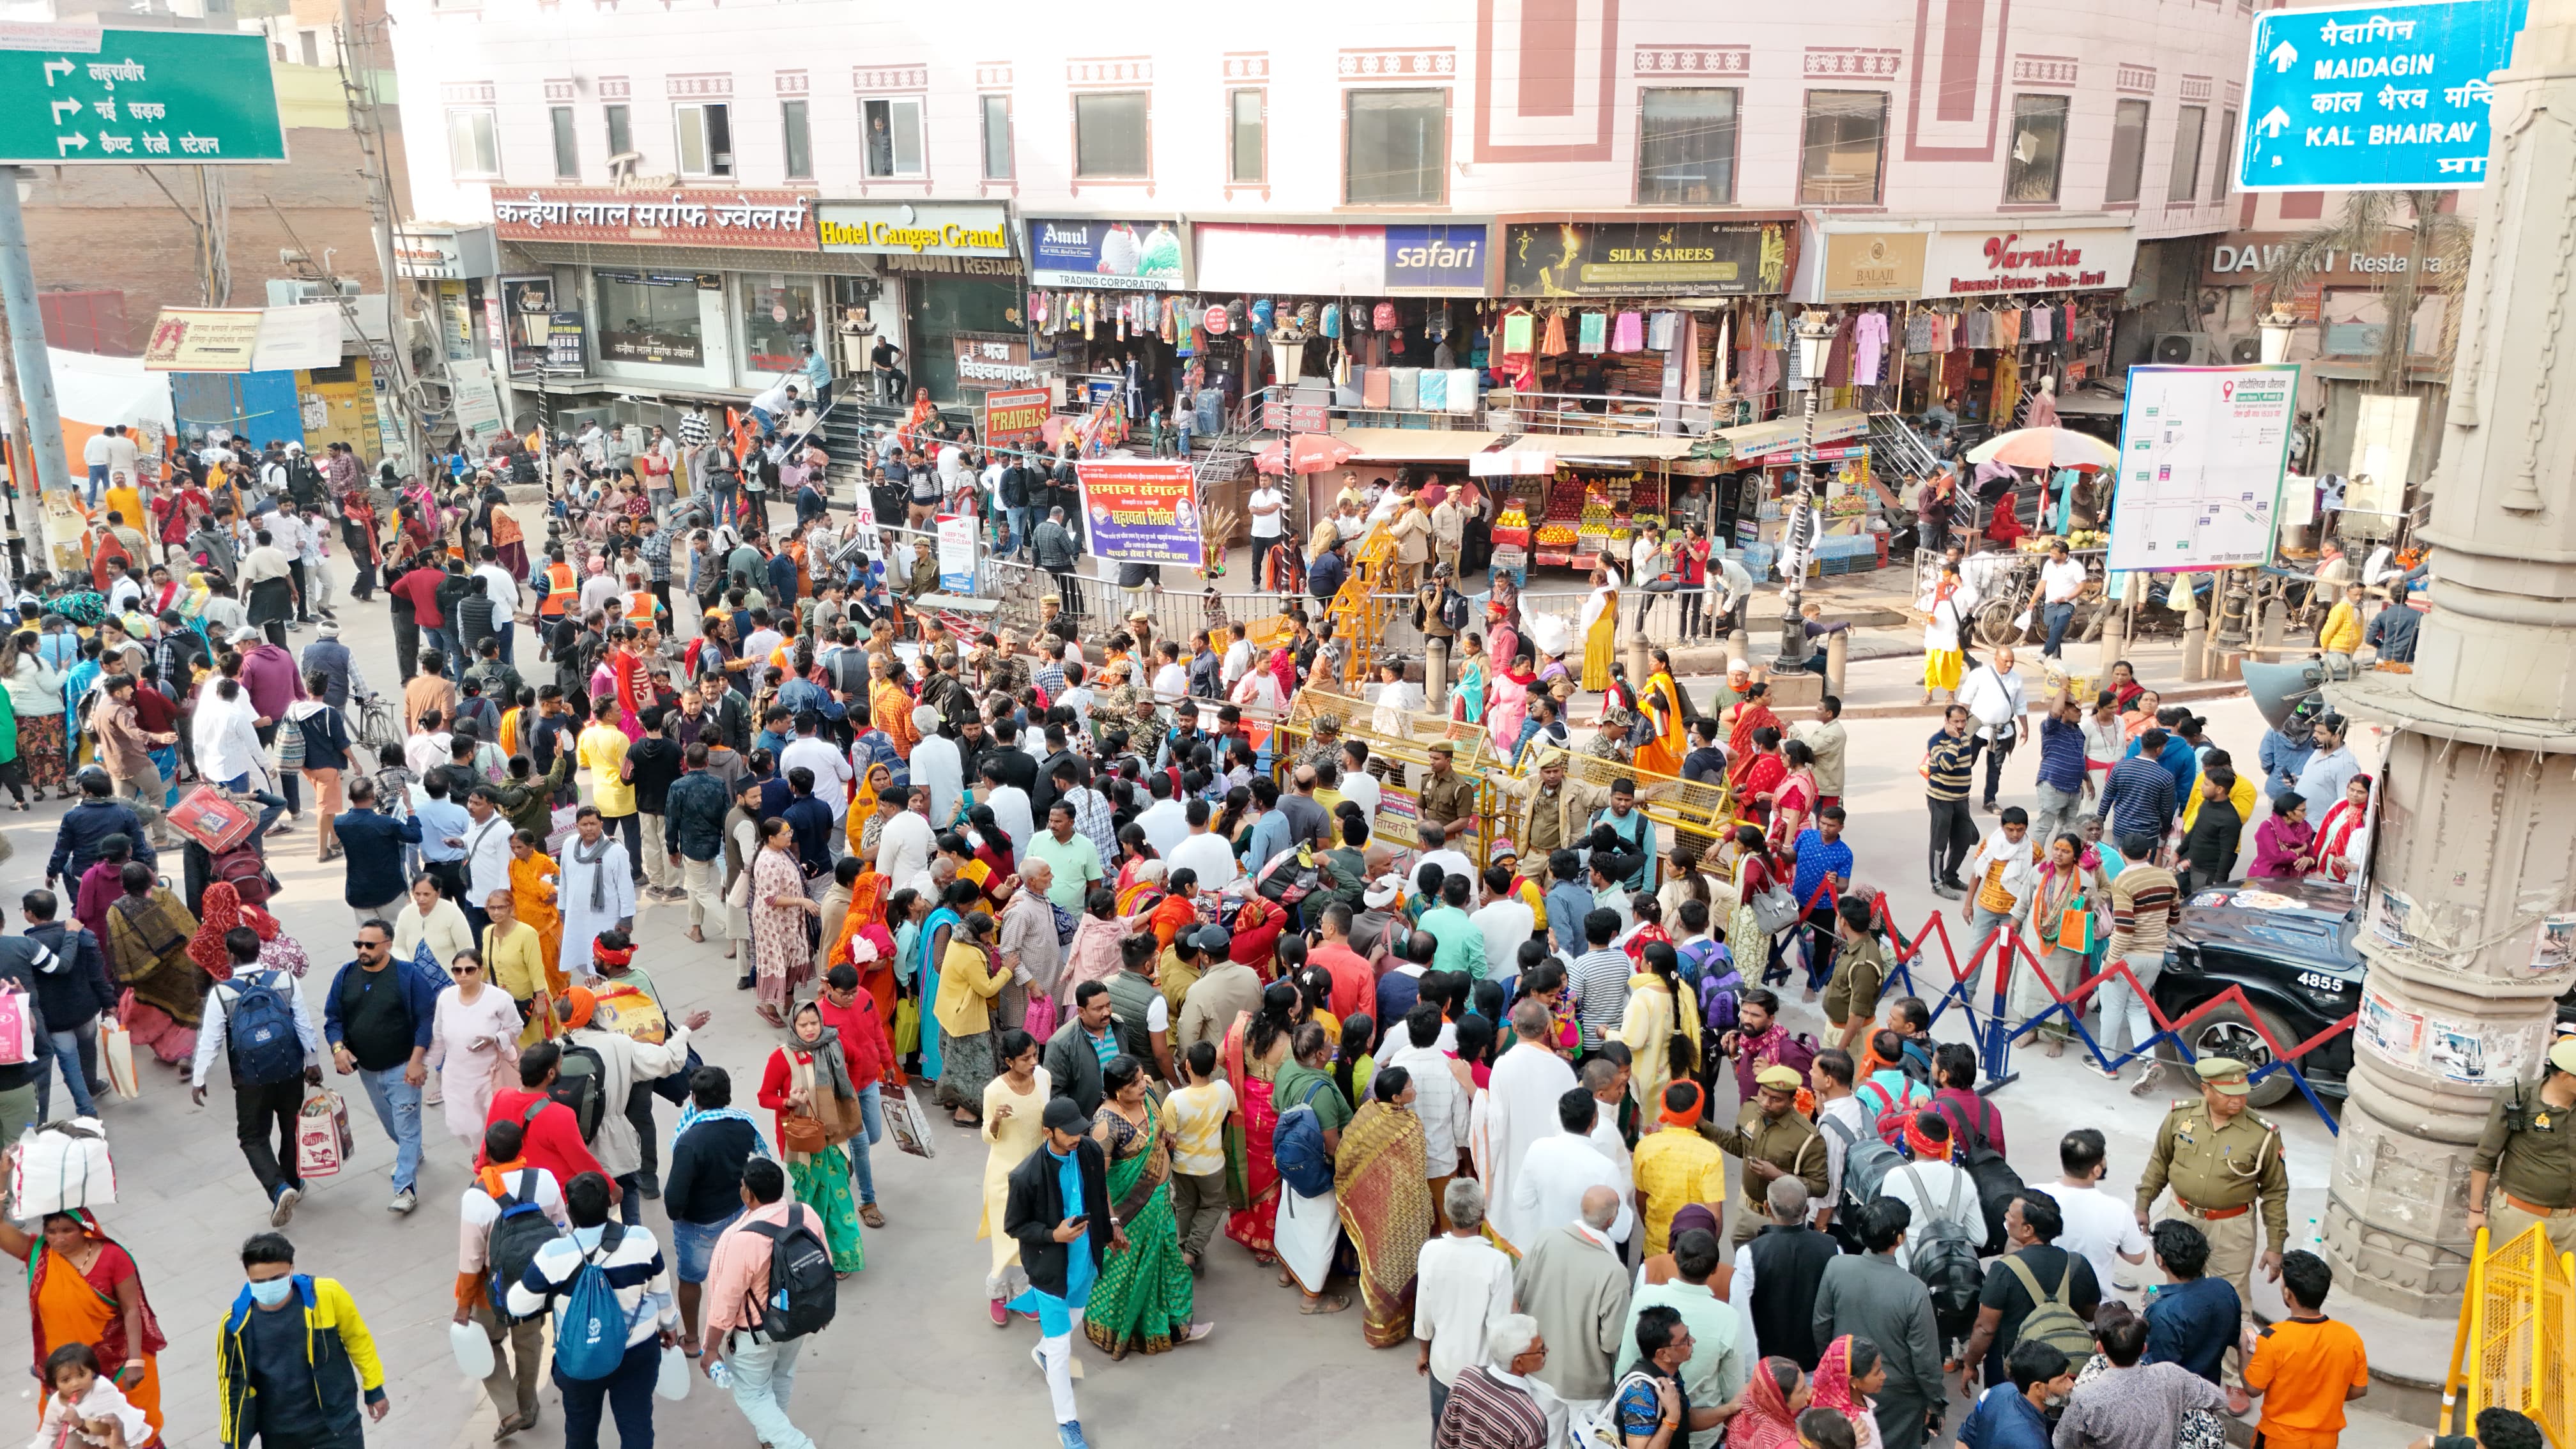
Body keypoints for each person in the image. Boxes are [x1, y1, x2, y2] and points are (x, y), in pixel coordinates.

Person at [2135, 1054, 2289, 1381]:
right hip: (2181, 1214)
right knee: (2177, 1289)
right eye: (2228, 1093)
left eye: (2242, 1093)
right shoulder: (2180, 1117)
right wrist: (2143, 1203)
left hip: (2231, 1226)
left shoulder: (2262, 1135)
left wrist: (2276, 1244)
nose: (2238, 1100)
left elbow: (2275, 1193)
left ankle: (2236, 1375)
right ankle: (2179, 1354)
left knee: (2233, 1297)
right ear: (2206, 1089)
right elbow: (2160, 1161)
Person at [503, 1172, 679, 1449]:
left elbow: (517, 1304)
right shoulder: (641, 1240)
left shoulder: (553, 1255)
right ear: (610, 1203)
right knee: (637, 1427)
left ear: (570, 1211)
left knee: (581, 1431)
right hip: (636, 1351)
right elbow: (661, 1291)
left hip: (578, 1358)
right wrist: (669, 1326)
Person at [1005, 1095, 1117, 1449]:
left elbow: (1099, 1195)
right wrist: (1054, 1235)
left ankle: (1041, 1352)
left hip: (1085, 1261)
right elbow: (1015, 1226)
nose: (1076, 1138)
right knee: (1060, 1346)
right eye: (1068, 1133)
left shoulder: (1089, 1152)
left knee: (1075, 1316)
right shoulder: (1025, 1177)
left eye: (1079, 1131)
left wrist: (1111, 1228)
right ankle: (1067, 1423)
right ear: (1046, 1132)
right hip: (1050, 1269)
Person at [190, 933, 325, 1226]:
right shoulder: (285, 980)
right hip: (290, 1070)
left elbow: (210, 1041)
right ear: (258, 951)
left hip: (251, 1079)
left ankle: (278, 1188)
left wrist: (199, 1078)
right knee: (292, 1127)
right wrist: (312, 1063)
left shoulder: (222, 993)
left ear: (231, 956)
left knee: (253, 1137)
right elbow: (303, 1024)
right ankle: (293, 1181)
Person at [1080, 1053, 1210, 1356]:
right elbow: (1098, 1182)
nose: (1143, 1085)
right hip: (1131, 1214)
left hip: (1161, 1205)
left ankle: (1177, 1325)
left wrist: (1164, 1139)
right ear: (1117, 1091)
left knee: (1170, 1264)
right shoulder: (1105, 1125)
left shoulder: (1147, 1098)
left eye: (1141, 1078)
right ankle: (1116, 1330)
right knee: (1125, 1274)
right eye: (1135, 1083)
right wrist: (1112, 1224)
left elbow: (1157, 1130)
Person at [0, 1210, 167, 1442]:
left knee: (132, 1434)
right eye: (51, 1231)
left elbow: (132, 1310)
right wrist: (3, 1177)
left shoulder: (113, 1257)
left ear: (85, 1229)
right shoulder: (38, 1253)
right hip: (65, 1374)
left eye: (67, 1231)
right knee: (63, 1438)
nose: (58, 1239)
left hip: (118, 1364)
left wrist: (135, 1362)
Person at [215, 1233, 391, 1449]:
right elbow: (230, 1383)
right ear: (247, 1275)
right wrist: (232, 1440)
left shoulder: (326, 1295)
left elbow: (357, 1339)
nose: (269, 1286)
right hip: (280, 1435)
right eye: (259, 1282)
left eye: (277, 1278)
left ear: (291, 1268)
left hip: (337, 1425)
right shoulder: (236, 1324)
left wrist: (374, 1387)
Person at [558, 984, 706, 1224]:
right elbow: (667, 1060)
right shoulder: (619, 1044)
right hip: (616, 1143)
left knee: (583, 1215)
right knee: (628, 1201)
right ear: (595, 1013)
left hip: (575, 1145)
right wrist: (685, 1030)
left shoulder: (558, 1049)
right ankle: (633, 1247)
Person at [453, 1119, 563, 1439]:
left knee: (485, 1345)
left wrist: (463, 1306)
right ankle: (528, 1408)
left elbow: (471, 1261)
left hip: (491, 1294)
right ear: (521, 1149)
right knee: (529, 1343)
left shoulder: (476, 1197)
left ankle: (508, 1409)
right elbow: (562, 1229)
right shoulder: (544, 1180)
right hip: (534, 1285)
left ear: (486, 1152)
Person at [321, 919, 438, 1213]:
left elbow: (427, 1019)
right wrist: (338, 1049)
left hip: (402, 1068)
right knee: (393, 1127)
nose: (362, 950)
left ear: (387, 944)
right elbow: (333, 1018)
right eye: (358, 944)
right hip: (368, 1070)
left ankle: (405, 1188)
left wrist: (416, 1062)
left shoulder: (407, 975)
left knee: (407, 1126)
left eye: (369, 945)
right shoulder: (346, 975)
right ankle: (412, 1154)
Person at [1811, 1200, 1943, 1449]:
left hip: (1848, 1384)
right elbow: (1925, 1359)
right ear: (1900, 1238)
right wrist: (1936, 1402)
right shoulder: (1914, 1290)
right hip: (1898, 1400)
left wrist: (1834, 1368)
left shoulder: (1837, 1267)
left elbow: (1821, 1324)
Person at [1952, 1191, 2099, 1396]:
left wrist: (1970, 1363)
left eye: (2011, 1215)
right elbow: (2090, 1314)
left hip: (2013, 1372)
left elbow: (1985, 1328)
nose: (2006, 1217)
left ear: (2028, 1229)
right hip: (2064, 1369)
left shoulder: (2003, 1270)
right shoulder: (2078, 1264)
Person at [1616, 1227, 1752, 1449]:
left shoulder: (1645, 1297)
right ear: (1663, 1353)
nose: (1693, 1343)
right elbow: (1731, 1388)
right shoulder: (1641, 1389)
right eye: (1686, 1340)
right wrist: (1671, 1418)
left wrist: (1726, 1410)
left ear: (1674, 1258)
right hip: (1690, 1436)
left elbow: (1623, 1368)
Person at [1337, 1065, 1434, 1347]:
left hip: (1380, 1209)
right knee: (1397, 1264)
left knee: (1380, 1265)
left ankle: (1385, 1327)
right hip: (1398, 1210)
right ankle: (1389, 1328)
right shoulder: (1409, 1124)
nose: (1414, 1091)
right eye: (1410, 1088)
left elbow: (1345, 1156)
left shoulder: (1365, 1113)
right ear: (1396, 1098)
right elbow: (1417, 1174)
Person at [1514, 1183, 1634, 1407]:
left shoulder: (1545, 1240)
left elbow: (1516, 1295)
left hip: (1539, 1369)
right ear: (1611, 1220)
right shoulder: (1614, 1272)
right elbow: (1611, 1341)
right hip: (1586, 1385)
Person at [2051, 1303, 2226, 1449]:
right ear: (2143, 1349)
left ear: (2100, 1349)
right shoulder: (2170, 1374)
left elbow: (2062, 1444)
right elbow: (2219, 1398)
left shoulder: (2084, 1399)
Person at [1416, 1178, 1517, 1426]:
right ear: (1482, 1215)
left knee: (1442, 1431)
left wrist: (1423, 1353)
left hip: (1444, 1365)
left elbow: (1424, 1314)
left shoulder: (1431, 1252)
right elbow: (1498, 1325)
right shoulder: (1497, 1262)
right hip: (1483, 1373)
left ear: (1448, 1212)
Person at [2468, 1036, 2576, 1254]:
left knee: (2560, 1288)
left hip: (2570, 1224)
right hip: (2521, 1218)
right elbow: (2485, 1157)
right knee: (2507, 1286)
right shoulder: (2518, 1101)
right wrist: (2475, 1210)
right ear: (2566, 1077)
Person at [1705, 1064, 1830, 1250]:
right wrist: (1704, 1126)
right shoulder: (1749, 1108)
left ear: (1791, 1101)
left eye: (1776, 1099)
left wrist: (1779, 1177)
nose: (1765, 1103)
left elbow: (1820, 1187)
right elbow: (1739, 1147)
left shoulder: (1808, 1137)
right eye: (1763, 1094)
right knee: (1742, 1258)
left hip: (1780, 1220)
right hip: (1746, 1209)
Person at [2142, 1219, 2239, 1389]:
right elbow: (2232, 1336)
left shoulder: (2162, 1314)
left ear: (2160, 1260)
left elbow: (2159, 1372)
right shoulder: (2223, 1289)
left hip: (2178, 1397)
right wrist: (2154, 1295)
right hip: (2209, 1386)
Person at [1433, 1313, 1554, 1449]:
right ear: (1519, 1361)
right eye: (1541, 1350)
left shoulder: (1466, 1379)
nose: (1546, 1351)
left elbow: (1444, 1441)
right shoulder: (1530, 1422)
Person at [2052, 1129, 2149, 1298]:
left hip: (2042, 1303)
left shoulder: (2035, 1195)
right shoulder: (2118, 1210)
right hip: (2094, 1308)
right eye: (2104, 1158)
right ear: (2096, 1170)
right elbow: (2137, 1257)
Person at [1954, 1340, 2073, 1449]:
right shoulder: (2032, 1444)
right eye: (2062, 1380)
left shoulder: (1996, 1392)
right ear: (2038, 1387)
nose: (2071, 1384)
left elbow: (1965, 1439)